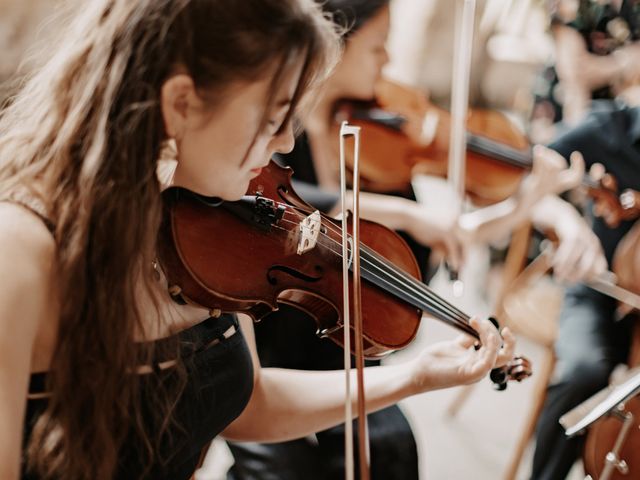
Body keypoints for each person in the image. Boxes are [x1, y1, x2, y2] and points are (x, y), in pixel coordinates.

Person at [0, 1, 518, 480]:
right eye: (272, 120)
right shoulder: (20, 250)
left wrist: (416, 377)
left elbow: (253, 404)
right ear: (181, 103)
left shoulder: (218, 224)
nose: (286, 144)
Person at [226, 1, 608, 479]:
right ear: (333, 49)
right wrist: (408, 213)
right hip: (276, 351)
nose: (388, 63)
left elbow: (451, 230)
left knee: (394, 451)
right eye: (377, 48)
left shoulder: (381, 147)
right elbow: (293, 203)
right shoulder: (275, 141)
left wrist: (532, 204)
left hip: (346, 353)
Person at [530, 105, 640, 479]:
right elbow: (531, 178)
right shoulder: (609, 129)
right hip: (598, 294)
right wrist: (569, 223)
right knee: (582, 371)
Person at [531, 0, 640, 143]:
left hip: (613, 118)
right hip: (564, 112)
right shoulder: (573, 8)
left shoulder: (631, 10)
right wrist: (621, 63)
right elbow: (576, 75)